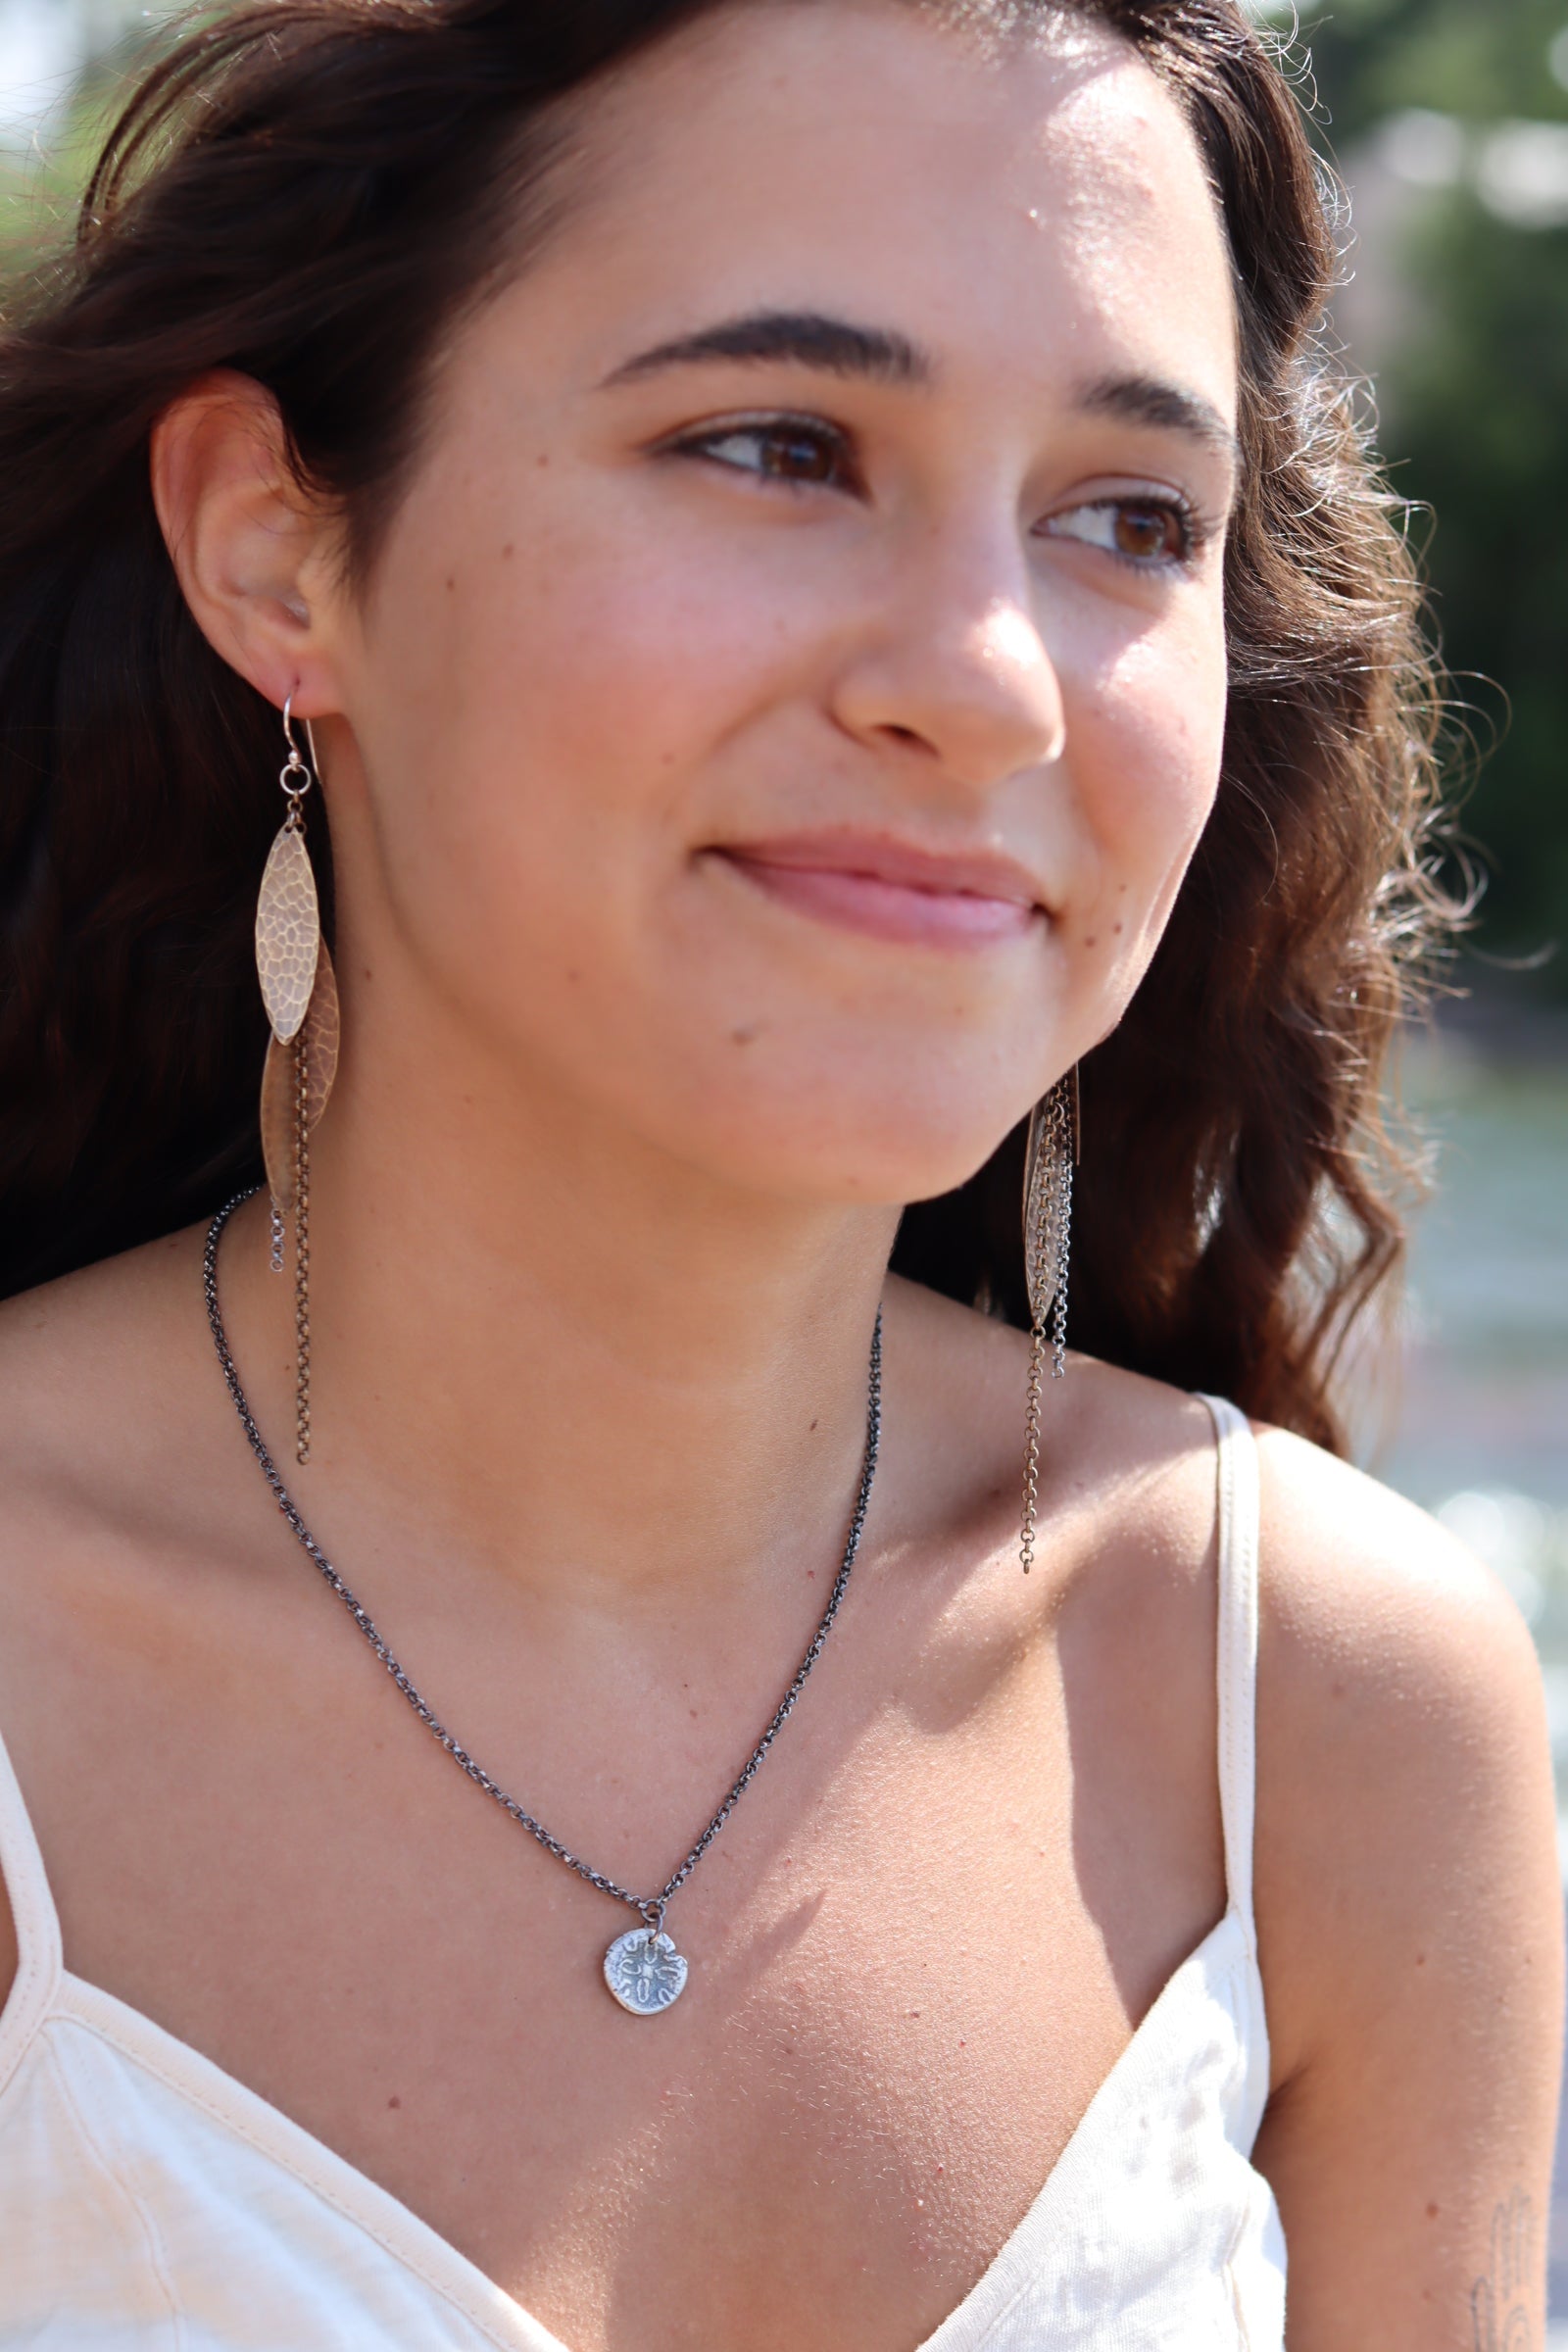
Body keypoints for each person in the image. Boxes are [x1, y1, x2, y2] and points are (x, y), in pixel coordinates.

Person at [0, 0, 1559, 2342]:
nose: (989, 681)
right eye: (775, 446)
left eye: (1128, 520)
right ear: (277, 549)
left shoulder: (1326, 1721)